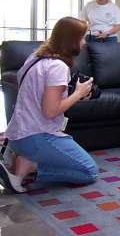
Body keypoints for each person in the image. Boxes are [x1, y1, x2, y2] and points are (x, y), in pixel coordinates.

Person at [0, 17, 98, 192]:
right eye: (81, 37)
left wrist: (72, 93)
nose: (84, 43)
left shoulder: (35, 57)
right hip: (36, 136)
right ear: (71, 40)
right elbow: (50, 111)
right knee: (89, 172)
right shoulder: (57, 67)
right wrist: (78, 94)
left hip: (18, 134)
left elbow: (38, 97)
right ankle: (32, 166)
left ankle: (23, 164)